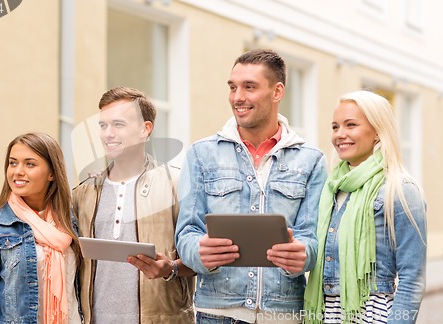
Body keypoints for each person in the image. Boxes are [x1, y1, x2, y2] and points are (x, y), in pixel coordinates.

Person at [175, 48, 328, 323]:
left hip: (284, 314)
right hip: (216, 314)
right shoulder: (200, 154)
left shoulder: (312, 161)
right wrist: (199, 250)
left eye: (249, 87)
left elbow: (313, 238)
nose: (237, 97)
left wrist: (303, 255)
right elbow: (186, 232)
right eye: (233, 87)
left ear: (277, 91)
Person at [72, 86, 195, 324]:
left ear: (145, 129)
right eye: (103, 125)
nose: (108, 133)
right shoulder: (83, 192)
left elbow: (205, 258)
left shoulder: (177, 185)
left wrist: (171, 268)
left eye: (118, 124)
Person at [304, 90, 427, 323]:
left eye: (351, 125)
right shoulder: (330, 188)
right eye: (335, 127)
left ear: (378, 132)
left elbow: (412, 278)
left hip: (372, 315)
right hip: (323, 314)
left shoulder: (401, 190)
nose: (340, 135)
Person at [0, 132, 82, 323]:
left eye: (30, 164)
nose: (18, 171)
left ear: (52, 173)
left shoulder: (72, 225)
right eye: (13, 163)